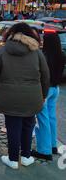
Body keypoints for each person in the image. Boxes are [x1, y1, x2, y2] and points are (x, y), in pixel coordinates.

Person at [0, 23, 50, 170]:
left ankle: (13, 159)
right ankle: (27, 156)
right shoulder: (37, 52)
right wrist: (44, 95)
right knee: (29, 125)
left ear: (10, 34)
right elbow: (46, 75)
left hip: (9, 97)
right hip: (32, 97)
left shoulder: (3, 50)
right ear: (30, 35)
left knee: (12, 127)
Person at [32, 33, 65, 161]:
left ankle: (44, 151)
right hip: (55, 88)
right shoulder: (61, 55)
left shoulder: (44, 56)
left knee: (42, 120)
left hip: (45, 90)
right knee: (51, 118)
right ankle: (52, 145)